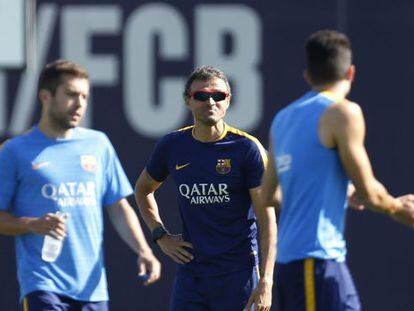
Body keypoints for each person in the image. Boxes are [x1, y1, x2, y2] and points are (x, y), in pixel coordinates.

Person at [262, 29, 414, 311]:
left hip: (298, 265)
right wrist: (397, 207)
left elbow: (269, 196)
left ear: (307, 75)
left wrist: (334, 191)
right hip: (315, 264)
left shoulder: (282, 119)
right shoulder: (343, 112)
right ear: (351, 73)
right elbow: (371, 193)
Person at [0, 59, 161, 310]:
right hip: (43, 285)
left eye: (84, 96)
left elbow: (118, 207)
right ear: (45, 96)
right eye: (71, 95)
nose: (80, 104)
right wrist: (33, 224)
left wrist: (144, 250)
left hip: (92, 287)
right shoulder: (13, 151)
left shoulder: (98, 144)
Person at [135, 65, 277, 311]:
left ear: (228, 99)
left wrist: (266, 281)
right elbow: (143, 190)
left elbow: (267, 220)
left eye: (218, 96)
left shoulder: (246, 149)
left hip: (239, 273)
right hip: (192, 275)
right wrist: (160, 235)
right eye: (201, 96)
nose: (210, 101)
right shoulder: (172, 145)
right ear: (187, 100)